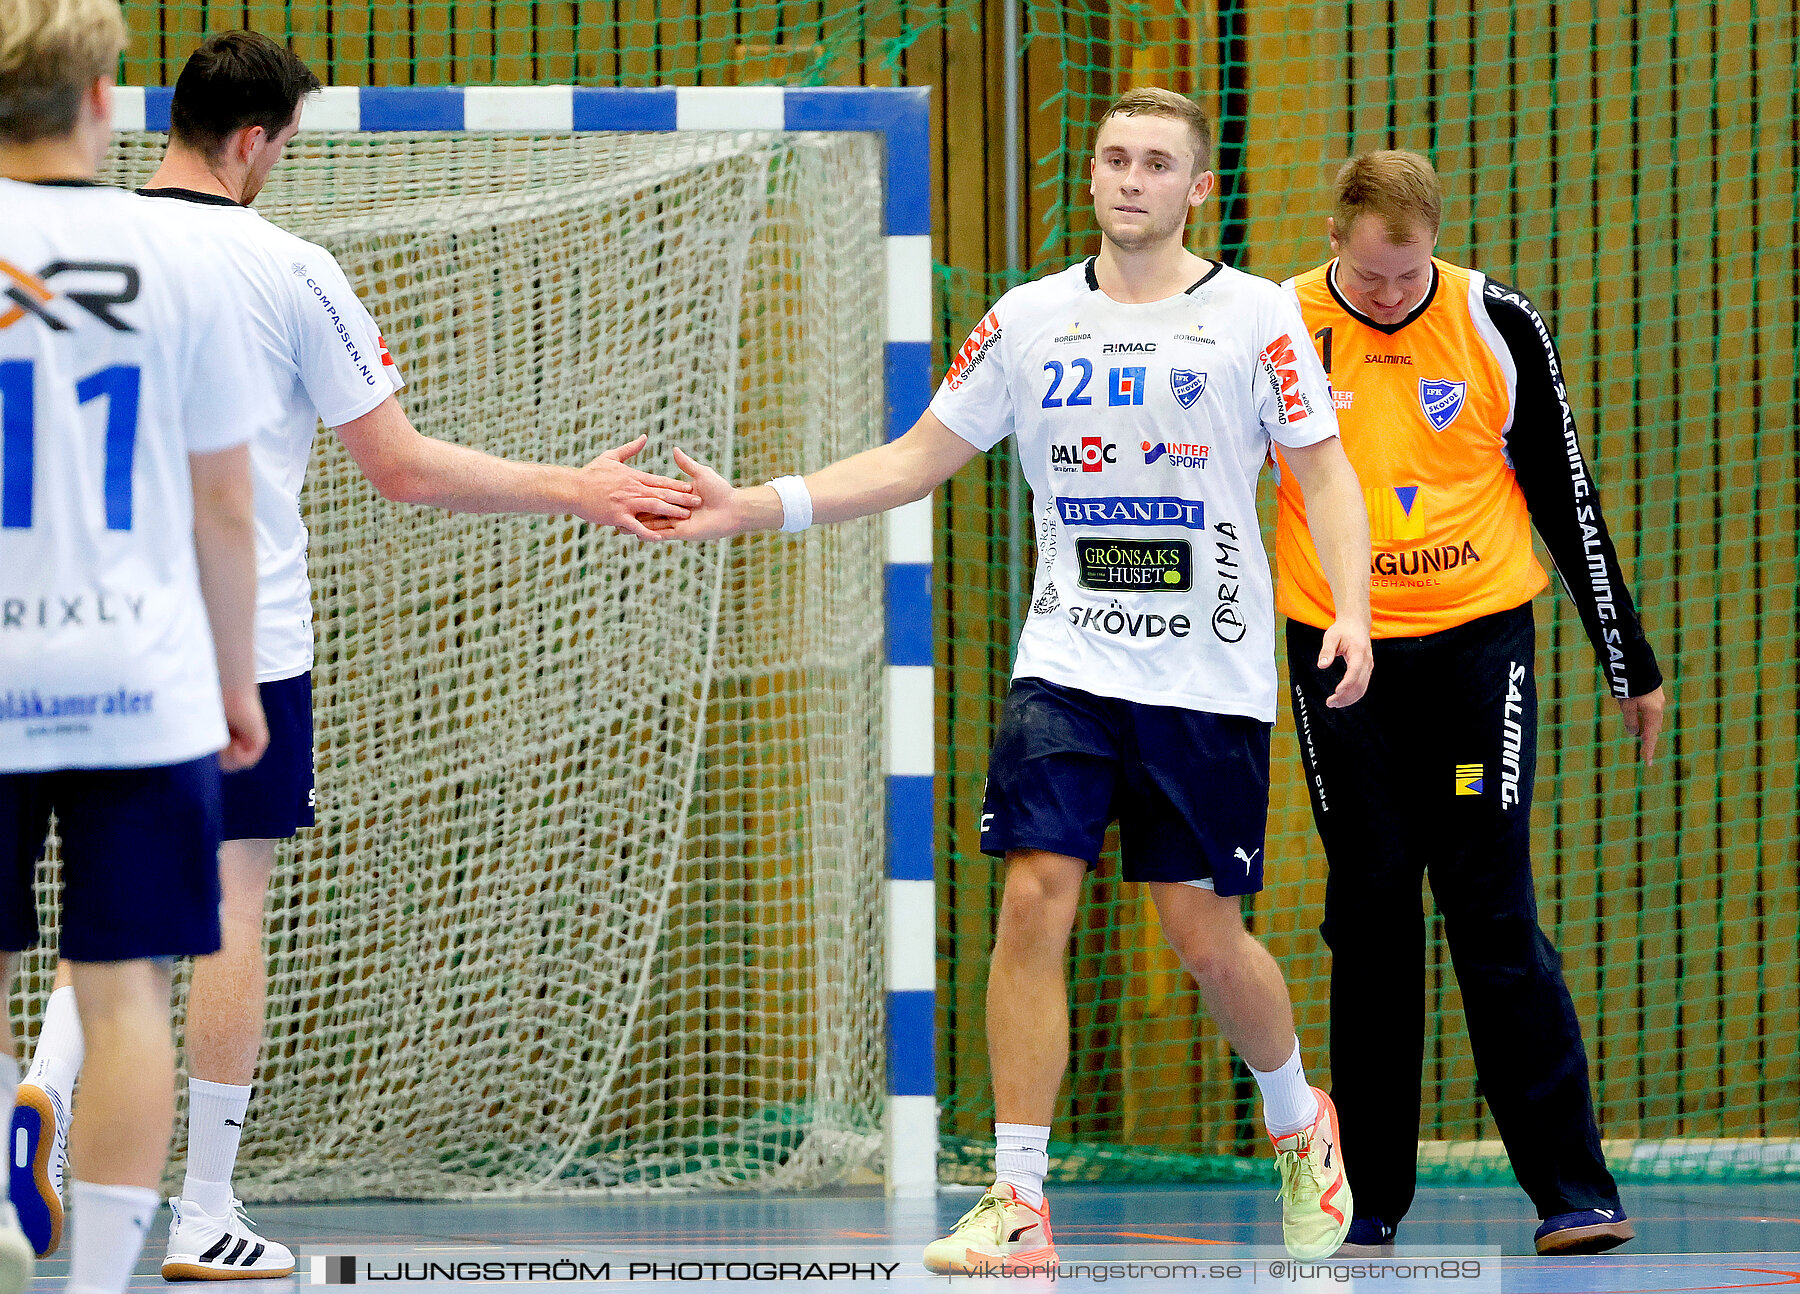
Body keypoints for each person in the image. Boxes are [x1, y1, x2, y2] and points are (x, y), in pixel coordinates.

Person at [7, 29, 702, 1282]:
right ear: (259, 139)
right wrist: (574, 485)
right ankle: (204, 1207)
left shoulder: (76, 243)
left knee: (94, 917)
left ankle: (43, 1084)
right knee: (223, 904)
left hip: (50, 618)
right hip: (233, 635)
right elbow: (400, 464)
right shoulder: (285, 266)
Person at [649, 86, 1374, 1269]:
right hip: (1066, 667)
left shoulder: (1255, 319)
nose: (1128, 178)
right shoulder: (1030, 320)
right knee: (1036, 896)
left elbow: (1325, 473)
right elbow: (912, 459)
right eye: (1112, 158)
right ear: (1090, 176)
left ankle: (1299, 1120)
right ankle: (1020, 1201)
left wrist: (1350, 607)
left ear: (1198, 189)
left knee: (1201, 931)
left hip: (1206, 676)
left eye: (1155, 164)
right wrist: (758, 507)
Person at [1273, 149, 1666, 1257]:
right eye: (1374, 275)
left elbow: (1565, 493)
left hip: (1478, 645)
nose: (1394, 297)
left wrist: (1626, 658)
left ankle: (1574, 1192)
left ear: (1434, 244)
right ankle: (1371, 1204)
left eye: (1412, 275)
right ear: (1337, 235)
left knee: (1491, 911)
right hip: (1337, 648)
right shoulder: (1281, 323)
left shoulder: (1497, 322)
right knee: (1374, 915)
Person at [1, 1, 274, 1290]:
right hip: (137, 681)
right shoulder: (184, 259)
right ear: (106, 96)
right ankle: (105, 1276)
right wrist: (236, 681)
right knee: (124, 995)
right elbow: (226, 501)